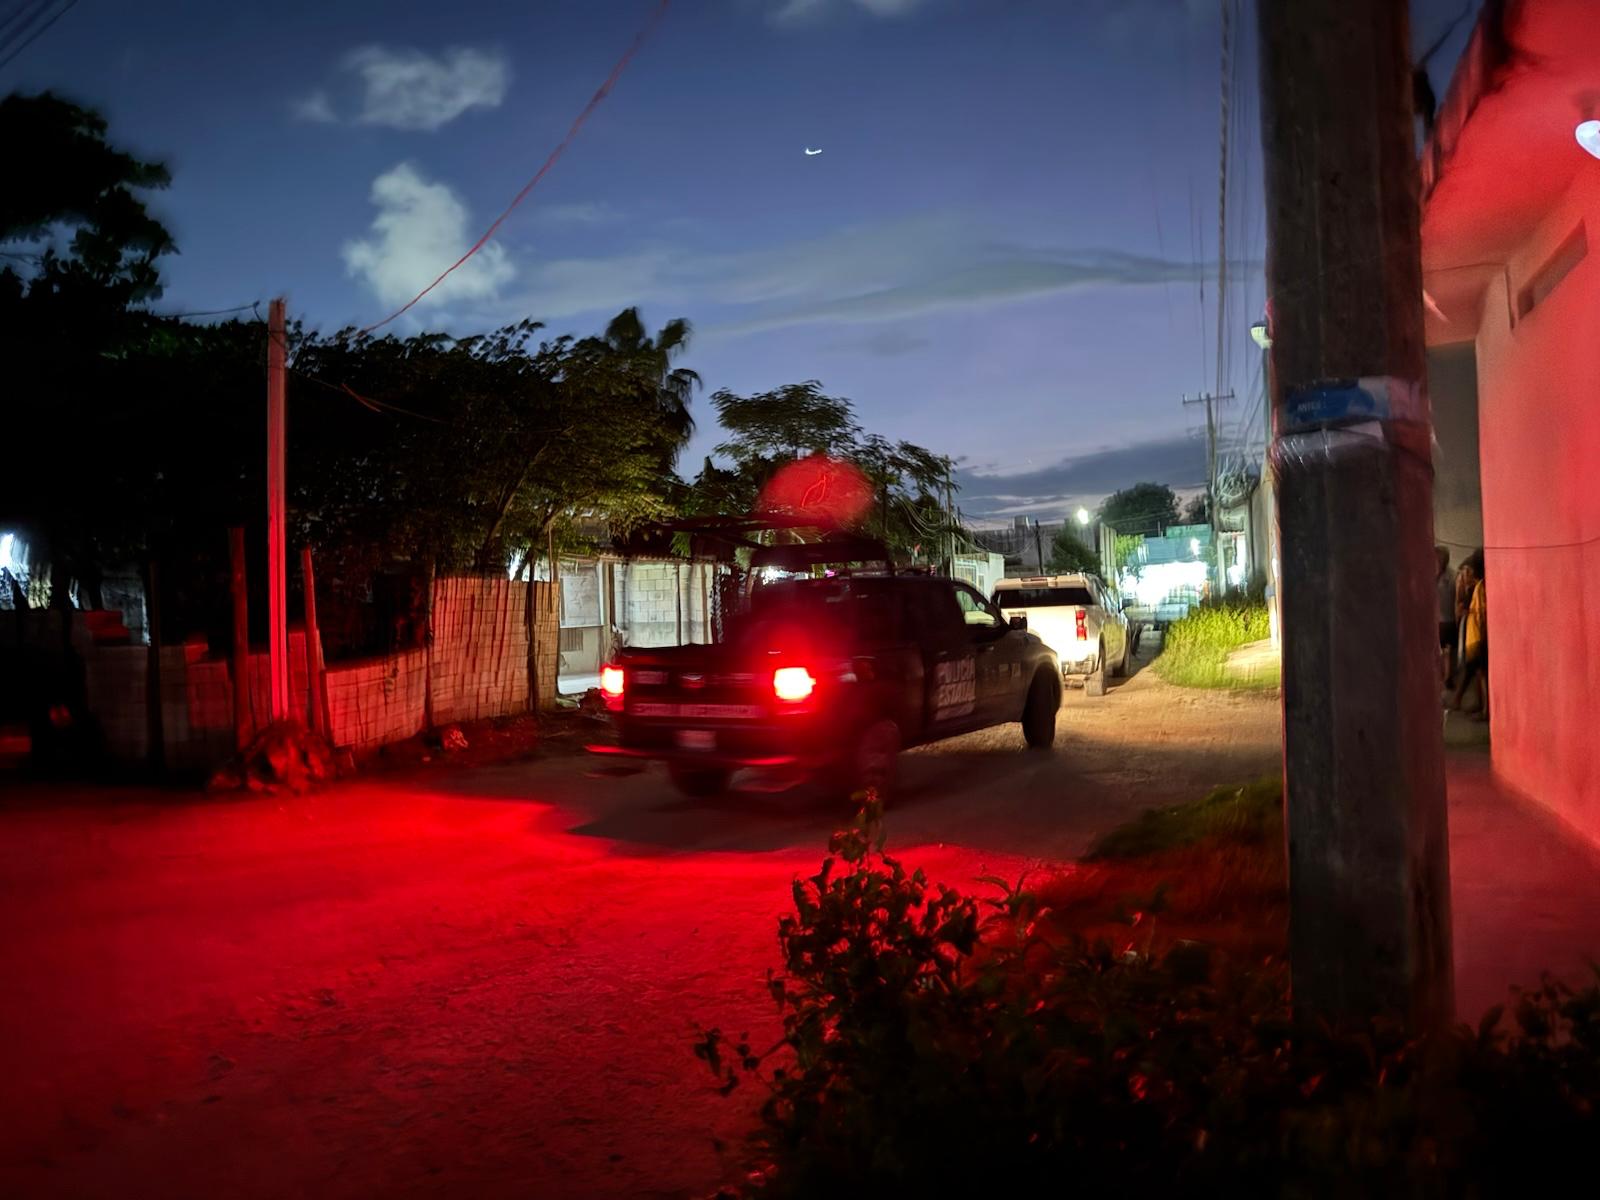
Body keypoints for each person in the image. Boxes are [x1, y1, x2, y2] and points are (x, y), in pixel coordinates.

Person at [1451, 554, 1487, 718]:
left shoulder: (1479, 588)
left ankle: (1483, 709)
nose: (1466, 575)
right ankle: (1480, 706)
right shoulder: (1475, 588)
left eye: (1468, 572)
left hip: (1477, 637)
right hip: (1474, 636)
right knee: (1477, 672)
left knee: (1477, 672)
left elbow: (1480, 613)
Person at [1435, 546, 1455, 685]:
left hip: (1443, 620)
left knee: (1444, 650)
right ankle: (1446, 676)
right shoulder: (1453, 575)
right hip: (1446, 620)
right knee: (1446, 650)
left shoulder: (1437, 576)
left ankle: (1445, 676)